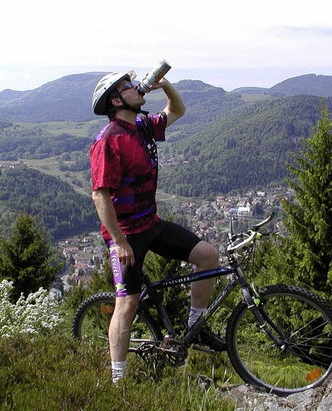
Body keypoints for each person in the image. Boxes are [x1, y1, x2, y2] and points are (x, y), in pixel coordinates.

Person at [89, 69, 225, 384]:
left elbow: (177, 111)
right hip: (125, 235)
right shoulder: (108, 140)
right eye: (126, 86)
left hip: (151, 224)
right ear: (116, 99)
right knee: (127, 303)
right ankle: (117, 381)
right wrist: (120, 242)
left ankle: (197, 326)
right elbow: (100, 194)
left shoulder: (142, 126)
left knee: (208, 256)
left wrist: (165, 85)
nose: (135, 87)